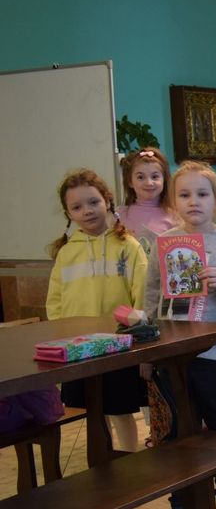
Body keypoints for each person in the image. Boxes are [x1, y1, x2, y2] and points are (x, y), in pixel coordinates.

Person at [144, 161, 216, 509]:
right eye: (185, 195)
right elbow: (152, 296)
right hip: (172, 352)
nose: (194, 201)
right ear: (173, 201)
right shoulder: (164, 244)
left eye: (202, 194)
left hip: (215, 353)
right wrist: (149, 348)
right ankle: (183, 503)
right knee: (177, 428)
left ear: (215, 200)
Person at [46, 169, 148, 454]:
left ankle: (129, 458)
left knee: (120, 409)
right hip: (78, 348)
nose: (87, 211)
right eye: (77, 207)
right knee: (92, 410)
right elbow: (55, 301)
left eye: (93, 202)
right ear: (68, 213)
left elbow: (141, 294)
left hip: (118, 345)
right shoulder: (67, 253)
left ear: (107, 201)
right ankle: (103, 460)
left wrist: (138, 335)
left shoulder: (129, 246)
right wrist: (63, 336)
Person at [116, 146, 177, 257]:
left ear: (164, 179)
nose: (149, 183)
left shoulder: (175, 217)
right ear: (130, 181)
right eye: (140, 177)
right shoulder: (118, 215)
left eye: (155, 176)